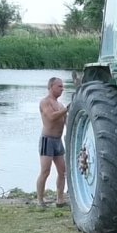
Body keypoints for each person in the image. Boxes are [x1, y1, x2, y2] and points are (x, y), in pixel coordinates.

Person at [36, 77, 68, 207]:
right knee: (45, 171)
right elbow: (51, 117)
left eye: (62, 86)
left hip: (58, 141)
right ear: (51, 87)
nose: (62, 89)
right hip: (47, 140)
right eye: (59, 86)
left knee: (63, 171)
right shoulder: (45, 102)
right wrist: (67, 110)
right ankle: (40, 200)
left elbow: (66, 123)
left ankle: (60, 200)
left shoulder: (60, 105)